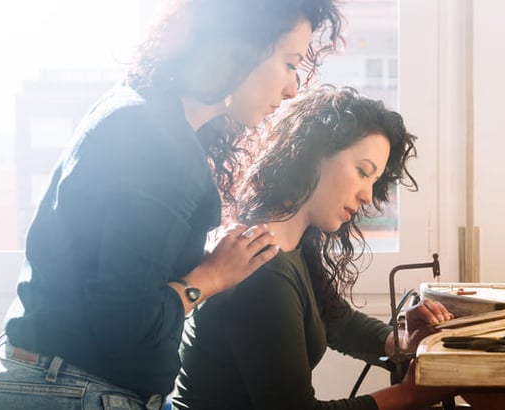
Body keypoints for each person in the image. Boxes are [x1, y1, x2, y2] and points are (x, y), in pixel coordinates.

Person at [0, 1, 343, 409]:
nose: (292, 88)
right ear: (239, 47)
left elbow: (117, 285)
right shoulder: (157, 143)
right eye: (289, 63)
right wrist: (209, 278)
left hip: (61, 382)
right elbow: (124, 323)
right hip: (72, 390)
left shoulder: (144, 117)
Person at [172, 85, 456, 410]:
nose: (367, 195)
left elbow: (338, 321)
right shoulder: (263, 270)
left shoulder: (291, 244)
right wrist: (408, 394)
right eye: (363, 172)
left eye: (374, 182)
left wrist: (401, 341)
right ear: (310, 156)